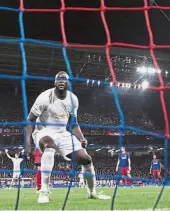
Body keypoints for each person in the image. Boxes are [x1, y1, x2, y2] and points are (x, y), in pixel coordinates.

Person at [25, 71, 110, 204]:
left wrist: (81, 138)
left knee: (86, 159)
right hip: (43, 131)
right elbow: (30, 120)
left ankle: (92, 192)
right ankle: (44, 192)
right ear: (54, 82)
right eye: (58, 79)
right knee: (49, 146)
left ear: (68, 82)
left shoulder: (73, 99)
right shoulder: (44, 97)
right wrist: (28, 144)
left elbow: (73, 123)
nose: (61, 81)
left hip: (62, 133)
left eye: (64, 79)